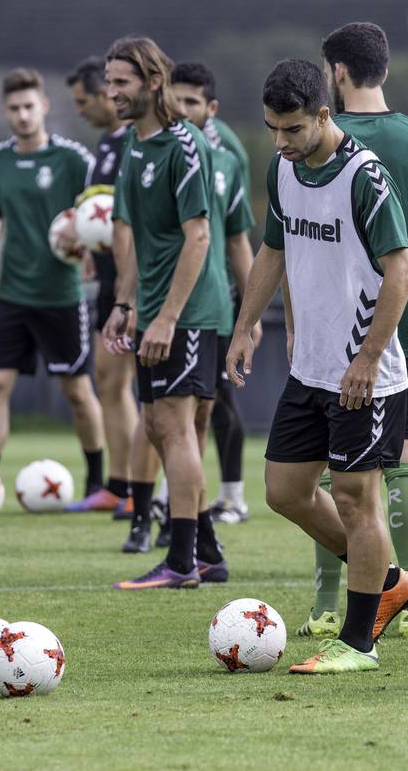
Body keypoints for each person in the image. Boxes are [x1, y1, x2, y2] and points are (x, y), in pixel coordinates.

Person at [226, 58, 408, 673]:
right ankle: (387, 579)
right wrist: (246, 325)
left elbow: (402, 272)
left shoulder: (366, 177)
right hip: (309, 369)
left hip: (364, 374)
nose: (280, 143)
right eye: (272, 130)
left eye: (291, 130)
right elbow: (271, 252)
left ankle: (357, 642)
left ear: (324, 115)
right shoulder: (284, 170)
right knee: (285, 490)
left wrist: (366, 359)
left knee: (358, 500)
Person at [290, 21, 408, 640]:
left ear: (335, 74)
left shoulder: (312, 141)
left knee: (332, 475)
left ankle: (326, 604)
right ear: (383, 70)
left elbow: (288, 246)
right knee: (403, 463)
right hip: (405, 326)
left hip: (327, 335)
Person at [101, 36, 230, 589]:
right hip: (153, 308)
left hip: (190, 311)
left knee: (177, 429)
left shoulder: (184, 146)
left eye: (121, 83)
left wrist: (167, 317)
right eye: (108, 83)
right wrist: (124, 303)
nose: (112, 94)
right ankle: (206, 552)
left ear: (154, 82)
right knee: (158, 426)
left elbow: (197, 237)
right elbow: (139, 241)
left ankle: (181, 562)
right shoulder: (134, 145)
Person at [0, 68, 106, 499]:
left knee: (77, 392)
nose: (22, 115)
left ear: (44, 107)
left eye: (29, 106)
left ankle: (97, 480)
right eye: (14, 108)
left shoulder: (72, 159)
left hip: (61, 296)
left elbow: (101, 209)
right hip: (13, 293)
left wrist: (86, 244)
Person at [170, 62, 257, 527]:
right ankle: (179, 502)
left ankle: (232, 497)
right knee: (171, 411)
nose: (182, 111)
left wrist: (252, 309)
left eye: (192, 103)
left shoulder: (227, 157)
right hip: (167, 302)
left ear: (211, 108)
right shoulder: (159, 146)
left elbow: (239, 236)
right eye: (176, 100)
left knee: (218, 401)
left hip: (216, 302)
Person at [64, 56, 139, 515]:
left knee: (131, 383)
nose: (82, 110)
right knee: (109, 380)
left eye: (83, 100)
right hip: (109, 276)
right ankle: (118, 484)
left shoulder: (136, 141)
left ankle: (138, 487)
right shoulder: (104, 147)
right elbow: (101, 213)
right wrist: (87, 245)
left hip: (135, 281)